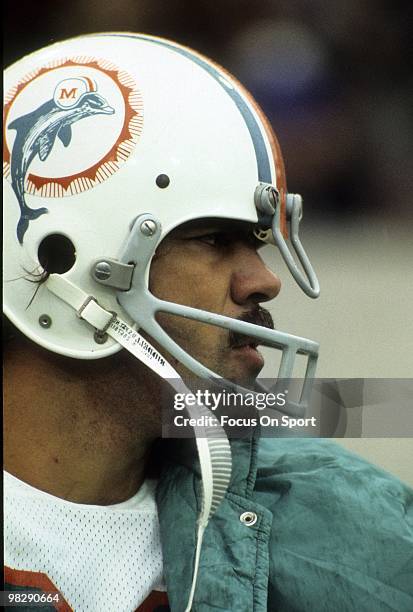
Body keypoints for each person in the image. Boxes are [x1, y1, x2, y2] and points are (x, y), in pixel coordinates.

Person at [3, 33, 412, 612]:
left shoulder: (348, 525)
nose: (264, 281)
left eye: (259, 244)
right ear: (59, 260)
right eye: (216, 239)